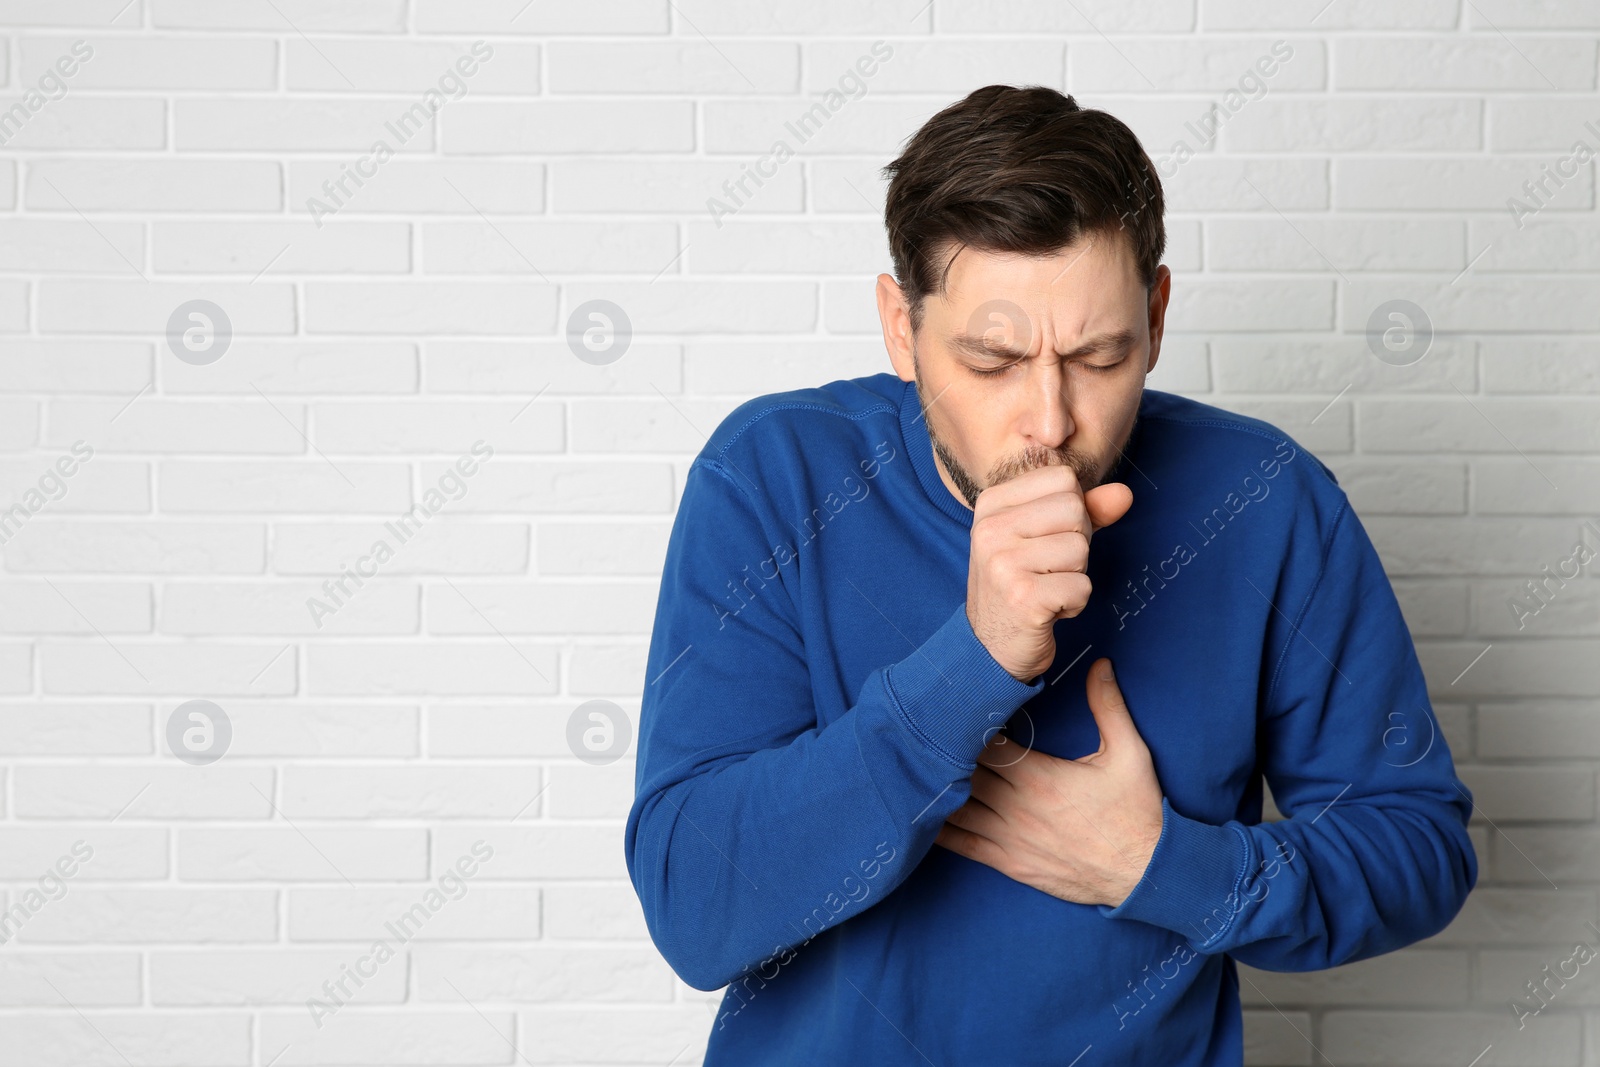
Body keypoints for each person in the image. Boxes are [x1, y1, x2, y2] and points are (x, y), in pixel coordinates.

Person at [624, 83, 1477, 1065]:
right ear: (900, 328)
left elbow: (1418, 846)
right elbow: (695, 907)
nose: (1050, 421)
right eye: (991, 359)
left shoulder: (1266, 499)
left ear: (1154, 316)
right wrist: (973, 660)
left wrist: (1165, 866)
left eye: (1099, 355)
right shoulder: (773, 476)